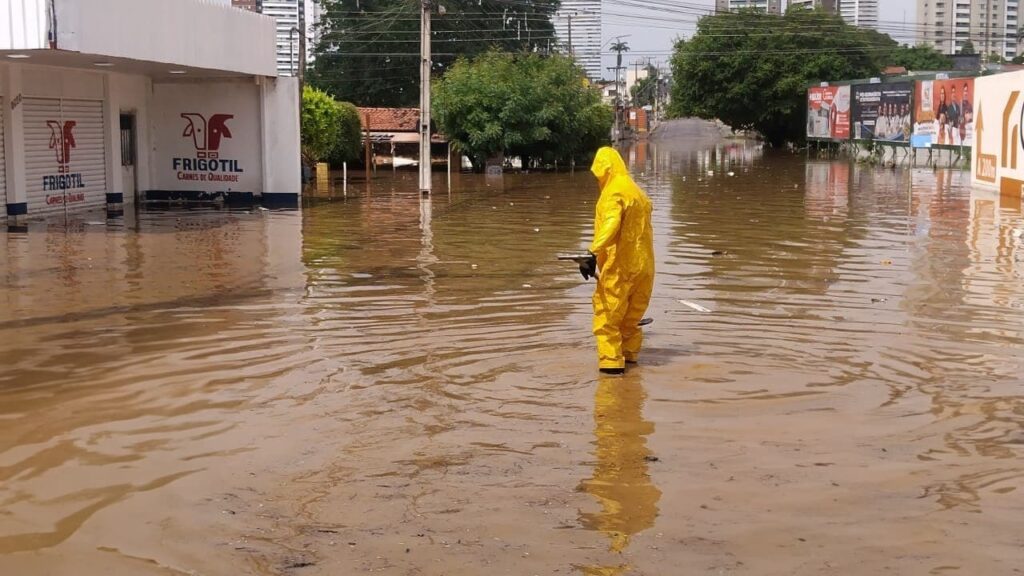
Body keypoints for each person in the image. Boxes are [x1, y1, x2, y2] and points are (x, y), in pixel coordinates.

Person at [579, 147, 655, 375]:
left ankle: (611, 375)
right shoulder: (637, 191)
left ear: (603, 170)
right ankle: (631, 361)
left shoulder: (613, 193)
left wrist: (592, 252)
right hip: (645, 267)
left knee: (607, 318)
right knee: (631, 319)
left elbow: (612, 224)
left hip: (620, 266)